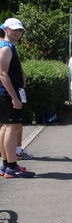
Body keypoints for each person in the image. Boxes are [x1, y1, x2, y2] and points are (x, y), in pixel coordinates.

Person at [0, 17, 34, 178]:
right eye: (14, 29)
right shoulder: (6, 48)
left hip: (7, 94)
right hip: (8, 94)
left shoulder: (8, 47)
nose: (18, 33)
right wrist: (14, 97)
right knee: (11, 129)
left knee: (6, 128)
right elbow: (2, 74)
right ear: (6, 29)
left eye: (20, 30)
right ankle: (11, 166)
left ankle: (7, 164)